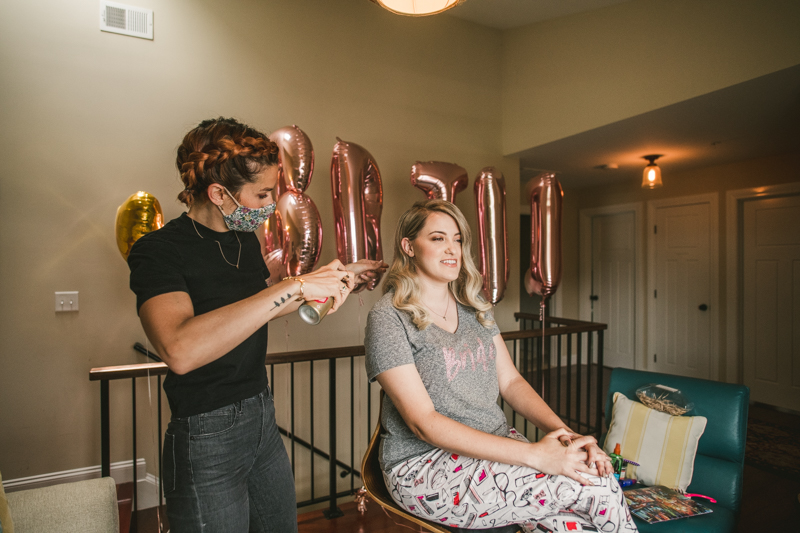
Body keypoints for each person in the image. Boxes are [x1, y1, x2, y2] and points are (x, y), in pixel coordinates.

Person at [128, 117, 386, 532]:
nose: (270, 203)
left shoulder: (242, 241)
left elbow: (260, 308)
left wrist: (335, 278)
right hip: (205, 431)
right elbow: (180, 350)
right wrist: (297, 284)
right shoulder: (159, 251)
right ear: (218, 193)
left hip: (260, 413)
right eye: (263, 194)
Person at [364, 200, 637, 531]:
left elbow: (511, 383)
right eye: (438, 238)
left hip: (495, 446)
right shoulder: (389, 317)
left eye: (458, 239)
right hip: (424, 466)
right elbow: (424, 423)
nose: (452, 249)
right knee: (598, 487)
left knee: (579, 510)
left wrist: (566, 435)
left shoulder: (474, 307)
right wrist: (535, 455)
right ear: (409, 246)